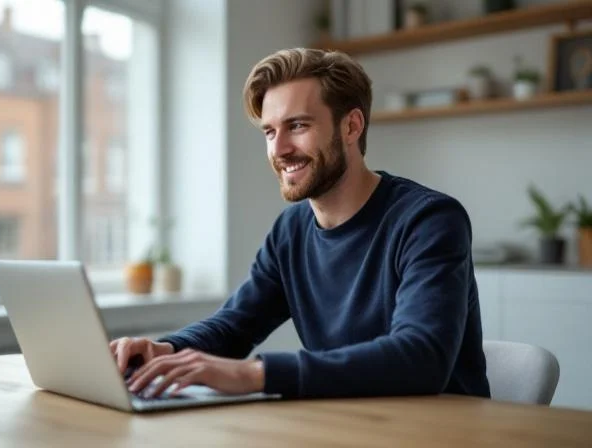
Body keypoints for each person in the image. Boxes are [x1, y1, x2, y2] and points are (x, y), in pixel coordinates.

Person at [110, 48, 491, 400]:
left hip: (440, 431)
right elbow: (234, 325)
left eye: (298, 125)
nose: (278, 150)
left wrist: (255, 374)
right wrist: (166, 349)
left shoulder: (429, 221)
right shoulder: (291, 231)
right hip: (347, 426)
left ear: (351, 127)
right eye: (270, 131)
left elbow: (421, 357)